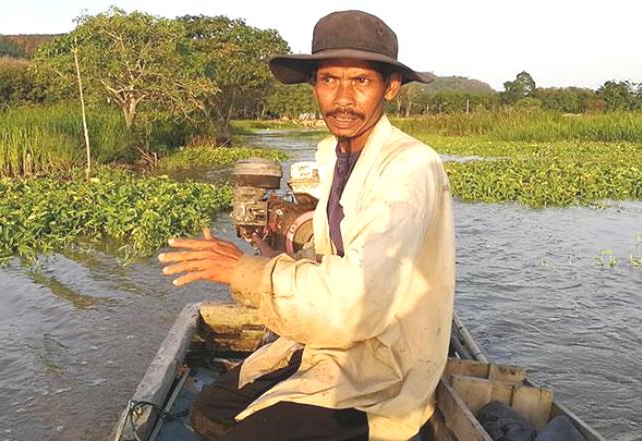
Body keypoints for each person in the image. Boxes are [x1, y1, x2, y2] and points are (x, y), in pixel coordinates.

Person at [159, 10, 455, 441]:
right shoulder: (333, 157)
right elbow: (334, 250)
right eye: (329, 80)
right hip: (329, 347)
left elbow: (358, 301)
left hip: (384, 363)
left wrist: (243, 270)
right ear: (313, 85)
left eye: (361, 82)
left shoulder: (409, 167)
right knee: (208, 412)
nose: (342, 99)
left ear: (390, 88)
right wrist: (281, 244)